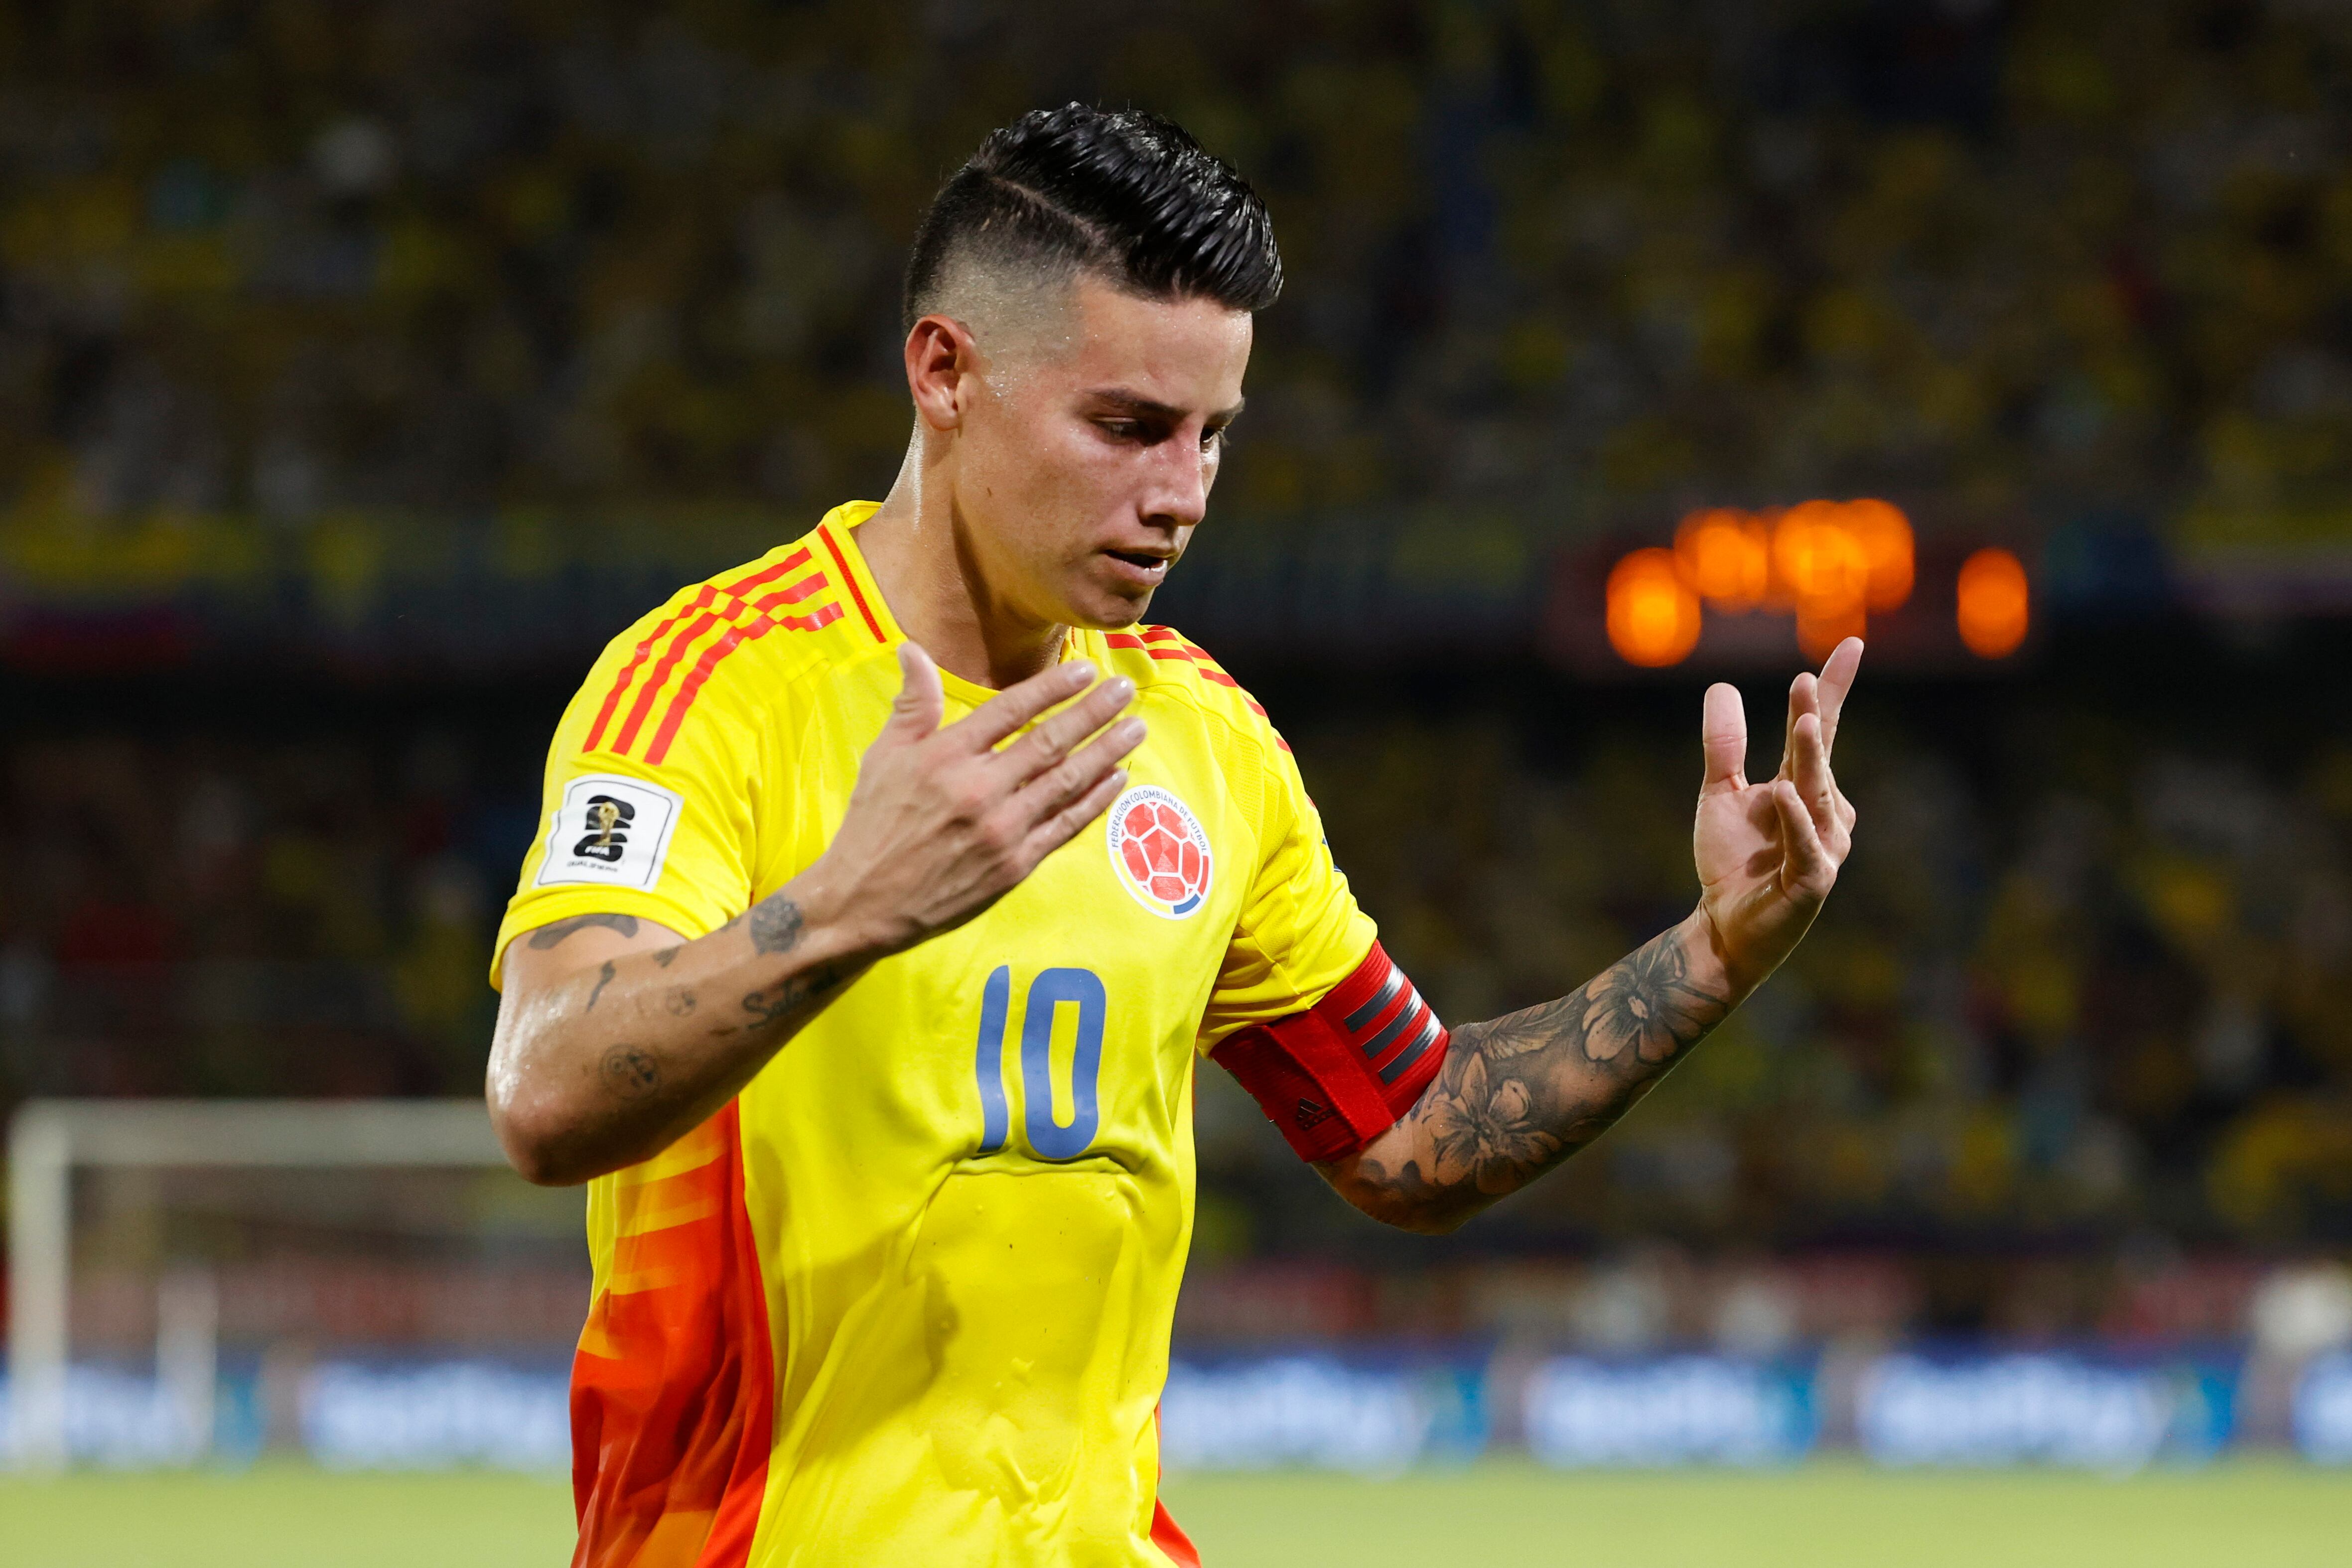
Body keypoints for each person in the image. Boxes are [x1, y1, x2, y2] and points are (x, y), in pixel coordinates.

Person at [487, 103, 1860, 1568]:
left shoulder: (1204, 739)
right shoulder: (713, 687)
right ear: (944, 372)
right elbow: (548, 1085)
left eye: (1211, 435)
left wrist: (1711, 954)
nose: (1183, 494)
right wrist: (847, 906)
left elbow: (1407, 1131)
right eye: (1128, 427)